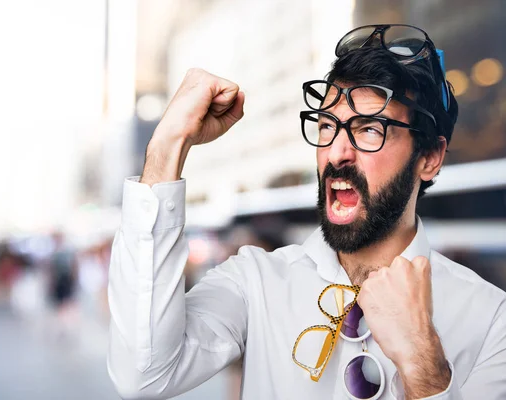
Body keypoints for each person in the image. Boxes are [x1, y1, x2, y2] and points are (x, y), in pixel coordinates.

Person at [106, 25, 506, 399]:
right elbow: (143, 373)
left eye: (369, 129)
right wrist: (167, 145)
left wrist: (423, 363)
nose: (336, 152)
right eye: (328, 126)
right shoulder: (255, 280)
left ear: (431, 158)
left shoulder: (492, 321)